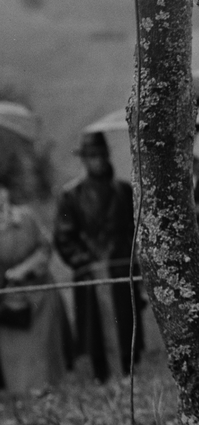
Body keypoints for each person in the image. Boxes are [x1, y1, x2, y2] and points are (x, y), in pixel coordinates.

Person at [54, 131, 142, 381]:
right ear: (84, 159)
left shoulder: (123, 190)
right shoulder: (70, 195)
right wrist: (84, 260)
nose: (97, 161)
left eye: (101, 155)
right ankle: (102, 374)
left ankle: (127, 371)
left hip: (121, 268)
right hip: (91, 272)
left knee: (126, 323)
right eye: (92, 156)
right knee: (95, 330)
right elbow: (63, 237)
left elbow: (134, 230)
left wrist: (131, 258)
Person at [0, 174, 67, 396]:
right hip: (8, 299)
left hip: (39, 292)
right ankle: (21, 395)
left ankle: (47, 392)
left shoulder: (26, 217)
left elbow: (45, 247)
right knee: (15, 349)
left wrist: (25, 268)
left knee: (43, 346)